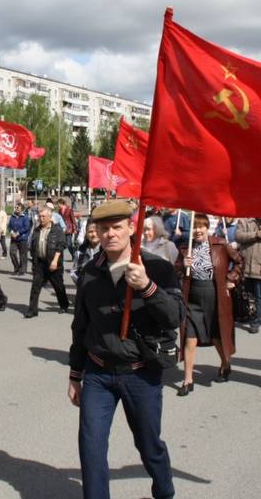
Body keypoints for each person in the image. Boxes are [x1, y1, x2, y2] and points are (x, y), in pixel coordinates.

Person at [69, 200, 182, 499]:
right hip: (97, 373)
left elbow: (175, 317)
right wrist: (75, 373)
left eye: (117, 227)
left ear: (132, 228)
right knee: (91, 448)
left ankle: (164, 491)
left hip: (140, 375)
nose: (110, 234)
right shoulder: (89, 272)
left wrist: (147, 286)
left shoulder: (157, 267)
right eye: (103, 229)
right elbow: (80, 325)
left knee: (148, 445)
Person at [176, 212, 242, 395]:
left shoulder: (221, 245)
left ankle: (225, 363)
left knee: (216, 336)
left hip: (215, 296)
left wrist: (231, 278)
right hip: (192, 298)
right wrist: (183, 264)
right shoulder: (185, 249)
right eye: (195, 227)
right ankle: (188, 380)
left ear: (207, 228)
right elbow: (176, 272)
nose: (198, 230)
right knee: (190, 339)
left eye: (201, 226)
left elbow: (239, 261)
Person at [26, 206, 69, 317]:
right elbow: (32, 245)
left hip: (53, 263)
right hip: (40, 263)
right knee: (35, 287)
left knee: (58, 286)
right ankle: (32, 310)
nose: (41, 219)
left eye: (44, 216)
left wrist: (55, 261)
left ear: (50, 217)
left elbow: (61, 245)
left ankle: (64, 305)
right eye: (40, 216)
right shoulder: (36, 230)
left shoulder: (57, 230)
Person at [71, 220, 100, 285]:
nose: (94, 234)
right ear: (86, 234)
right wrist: (81, 282)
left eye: (96, 231)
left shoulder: (106, 250)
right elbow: (74, 271)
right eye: (90, 232)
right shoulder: (80, 251)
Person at [8, 203, 32, 275]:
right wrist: (12, 232)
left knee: (23, 255)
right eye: (16, 207)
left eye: (18, 207)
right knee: (12, 253)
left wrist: (18, 233)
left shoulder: (25, 217)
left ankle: (22, 270)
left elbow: (26, 227)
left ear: (22, 209)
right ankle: (16, 268)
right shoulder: (13, 216)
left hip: (22, 238)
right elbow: (9, 226)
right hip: (14, 238)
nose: (16, 208)